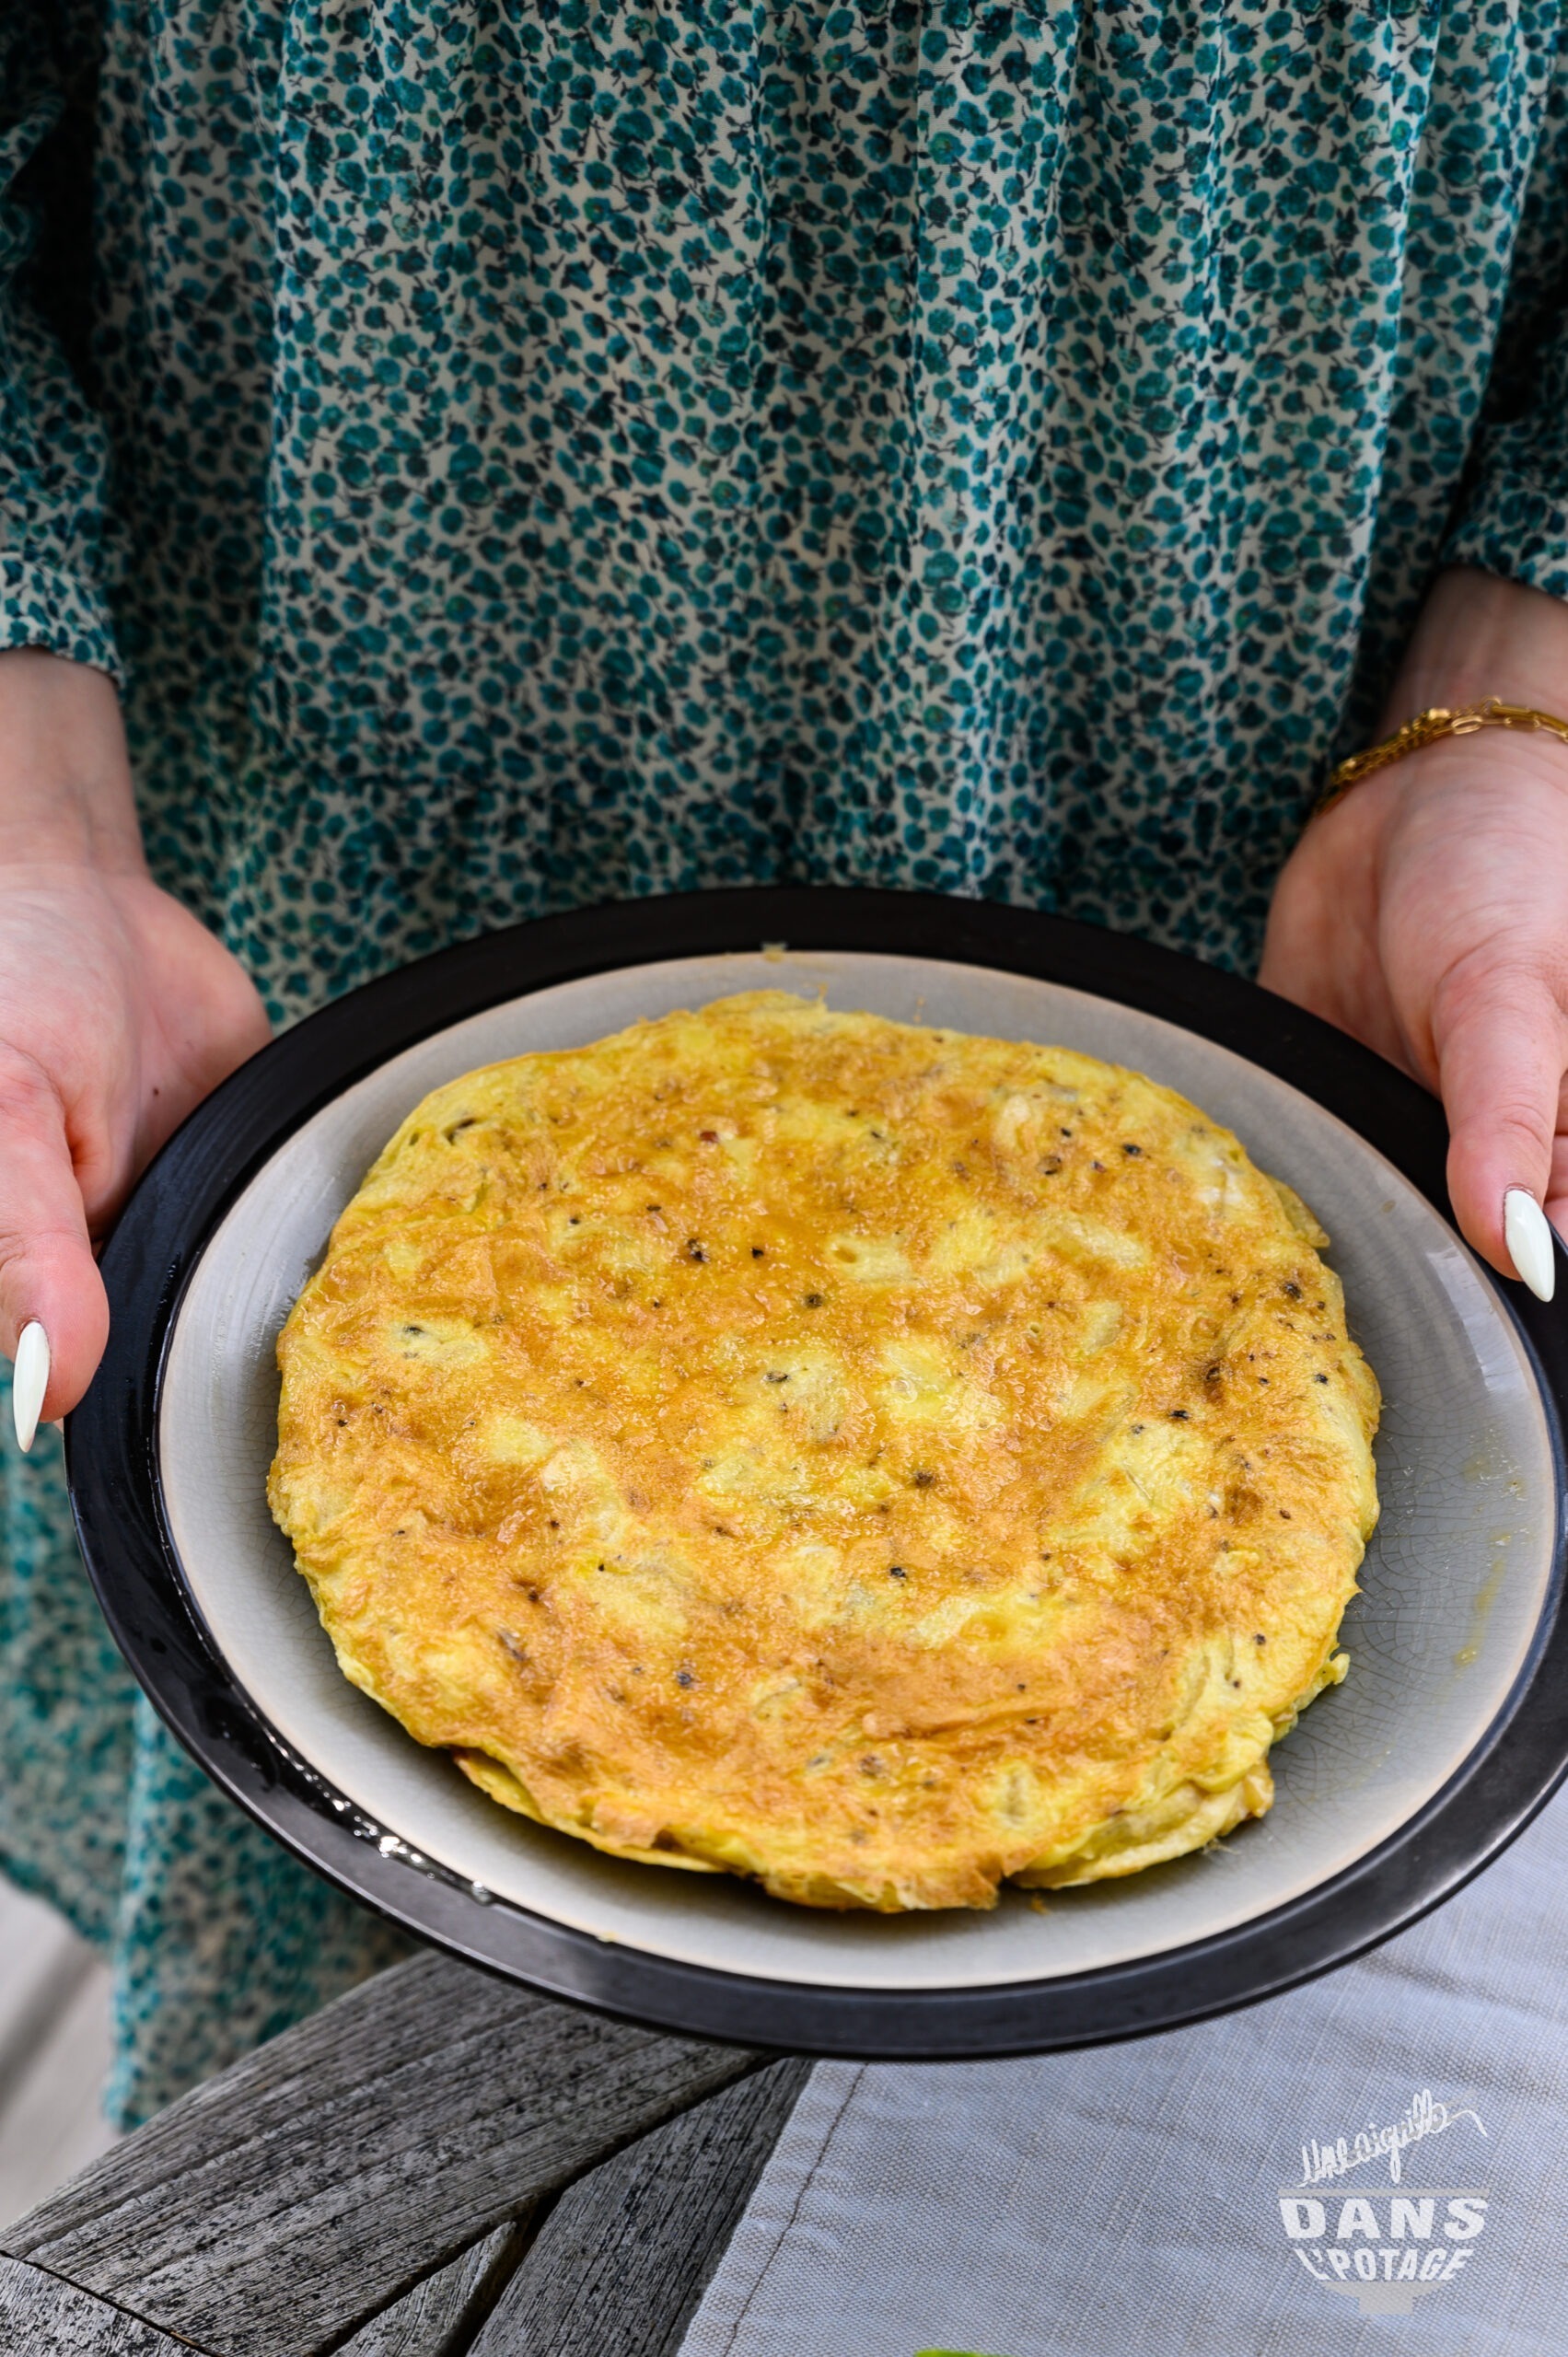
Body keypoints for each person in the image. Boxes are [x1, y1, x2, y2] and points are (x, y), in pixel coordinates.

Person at [4, 0, 1567, 2125]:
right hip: (270, 986)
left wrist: (1521, 684)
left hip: (1314, 911)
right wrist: (29, 812)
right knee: (373, 2139)